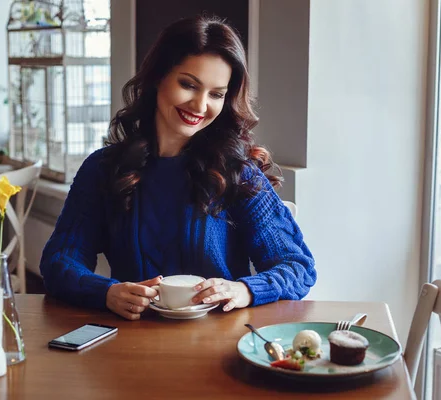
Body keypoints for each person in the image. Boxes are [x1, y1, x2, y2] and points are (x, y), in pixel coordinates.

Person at [39, 15, 316, 320]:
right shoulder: (102, 169)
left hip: (221, 345)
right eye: (188, 84)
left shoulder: (237, 172)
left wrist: (244, 290)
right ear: (158, 77)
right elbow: (59, 262)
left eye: (216, 94)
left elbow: (297, 266)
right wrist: (105, 293)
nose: (199, 106)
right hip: (129, 345)